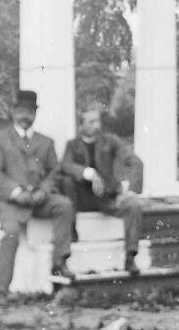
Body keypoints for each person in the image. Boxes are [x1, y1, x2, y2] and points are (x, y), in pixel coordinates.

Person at [0, 89, 75, 299]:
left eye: (30, 111)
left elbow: (54, 171)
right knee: (10, 234)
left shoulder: (46, 142)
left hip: (38, 199)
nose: (26, 116)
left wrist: (44, 191)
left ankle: (59, 263)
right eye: (22, 111)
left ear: (35, 114)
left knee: (64, 205)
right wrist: (16, 192)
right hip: (12, 202)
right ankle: (1, 291)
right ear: (13, 111)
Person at [60, 105, 144, 276]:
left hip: (107, 197)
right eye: (91, 122)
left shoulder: (109, 141)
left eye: (98, 121)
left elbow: (135, 162)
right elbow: (66, 165)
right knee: (67, 182)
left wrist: (132, 191)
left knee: (133, 204)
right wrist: (88, 173)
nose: (97, 126)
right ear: (81, 125)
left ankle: (130, 257)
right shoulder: (72, 145)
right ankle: (71, 234)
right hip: (81, 200)